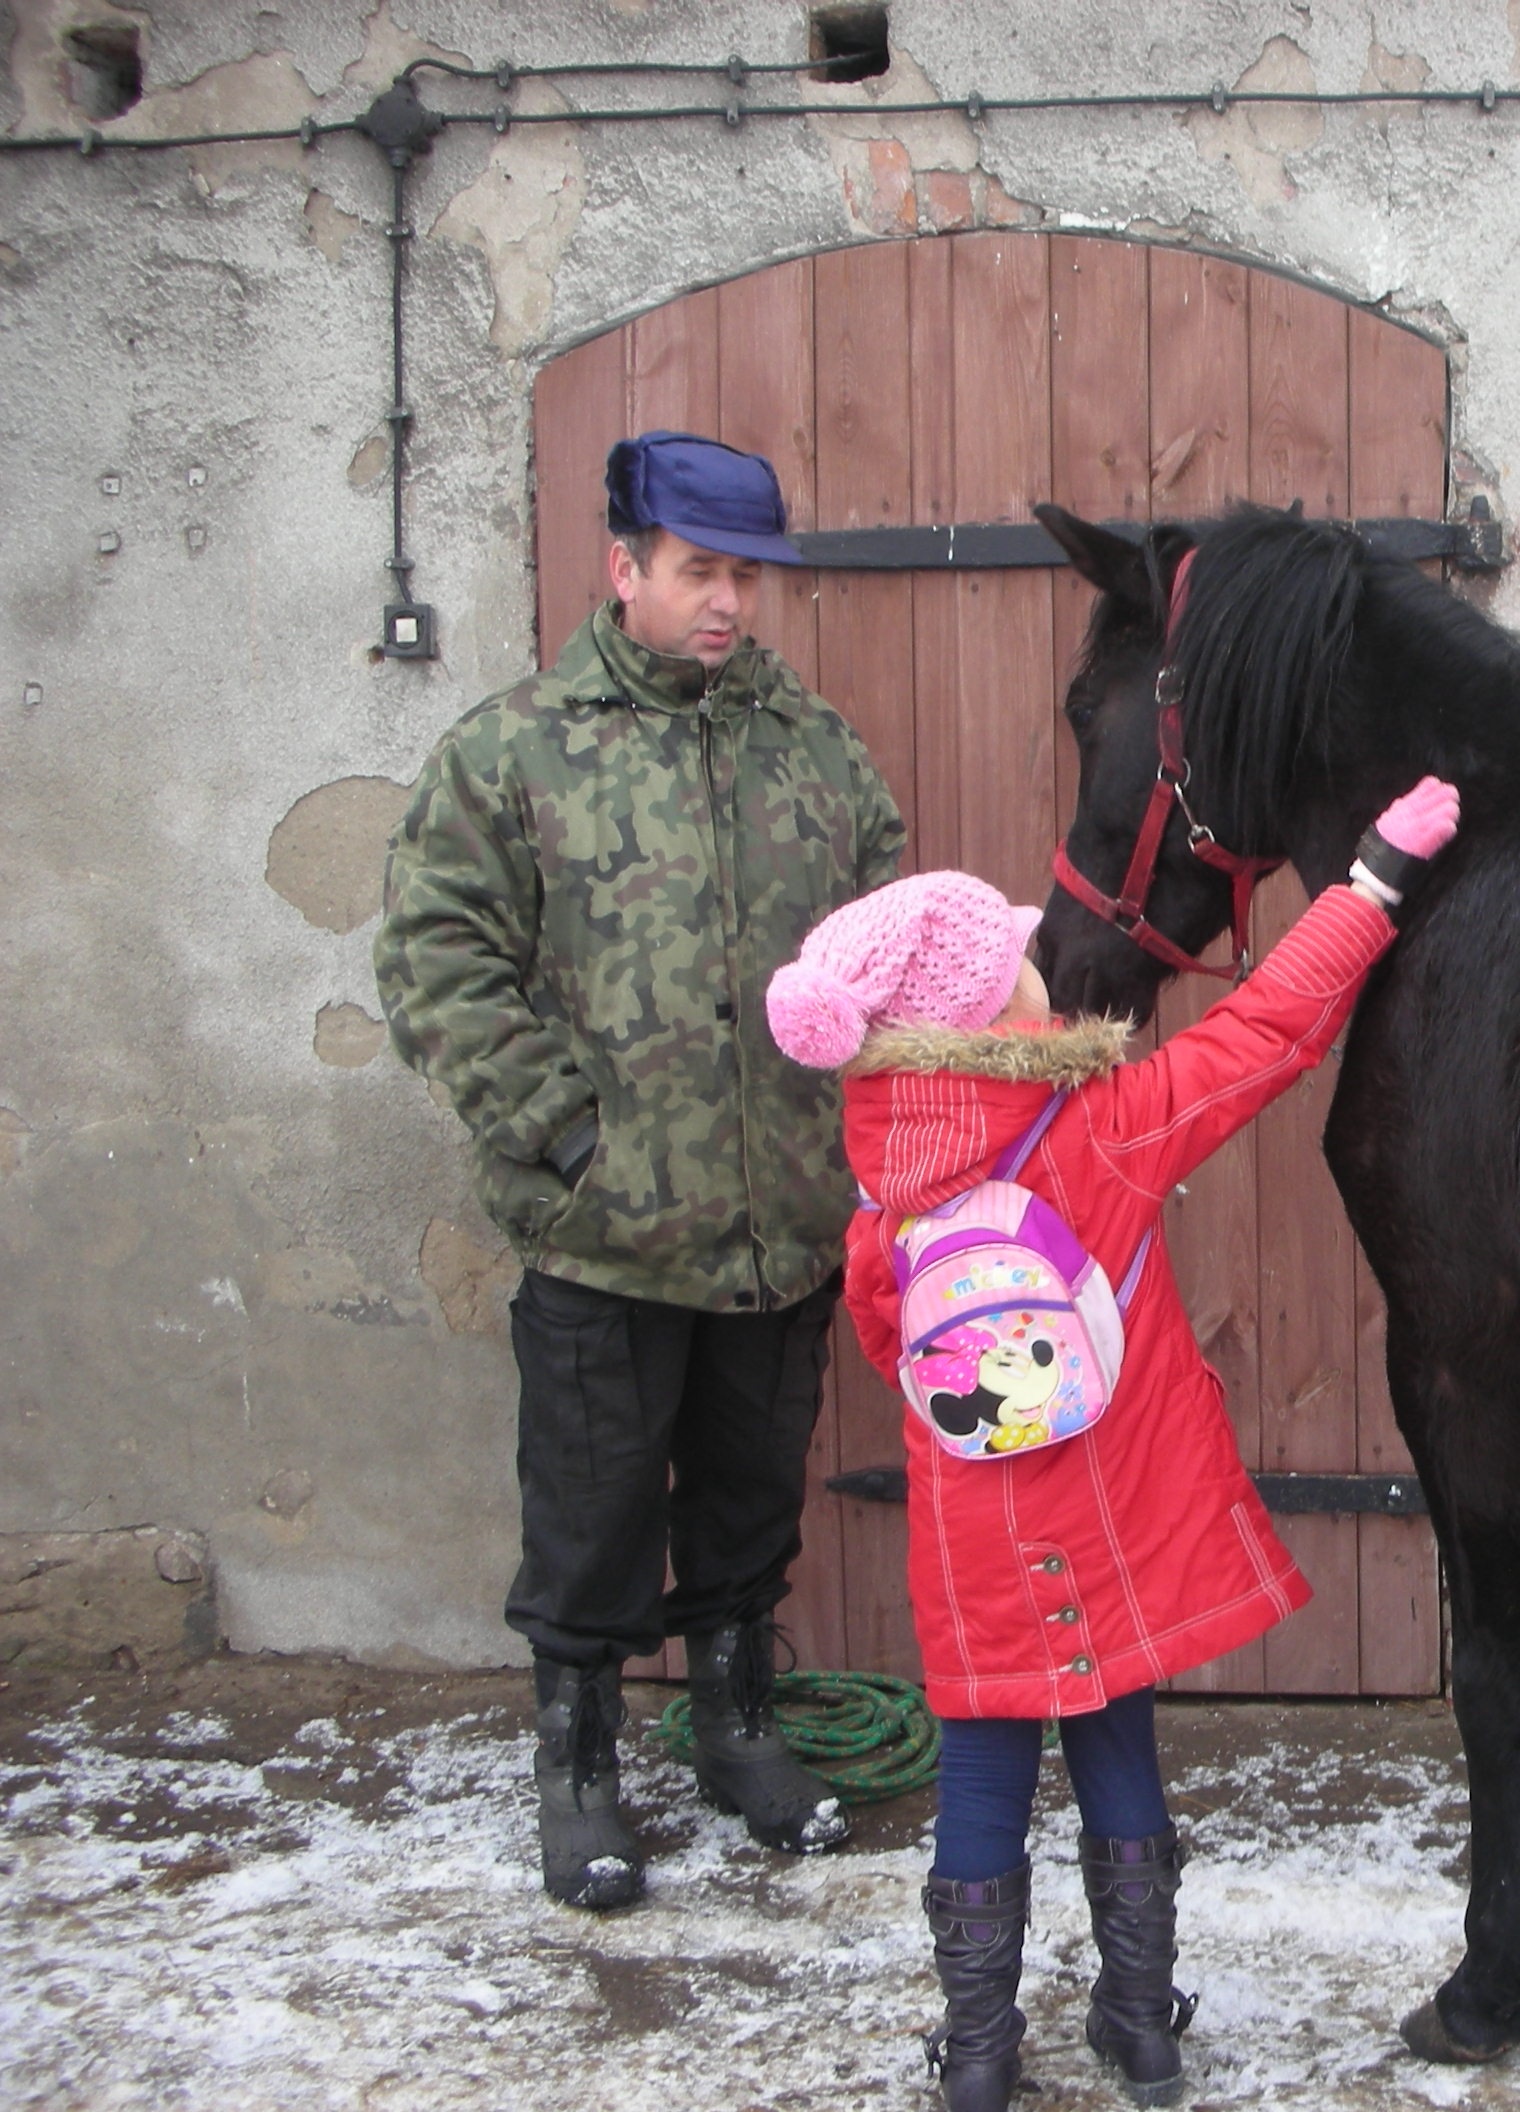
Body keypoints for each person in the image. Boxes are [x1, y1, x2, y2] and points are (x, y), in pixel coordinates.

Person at [763, 779, 1460, 2112]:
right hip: (1112, 1510)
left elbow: (887, 1336)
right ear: (994, 1015)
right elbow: (1270, 1026)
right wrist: (1373, 879)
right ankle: (1141, 2026)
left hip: (973, 1540)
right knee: (1118, 1753)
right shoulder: (1105, 1128)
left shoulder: (883, 1186)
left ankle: (978, 2053)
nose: (1042, 966)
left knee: (981, 1778)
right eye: (1020, 964)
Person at [375, 431, 906, 1910]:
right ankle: (581, 1770)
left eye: (748, 576)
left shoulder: (814, 750)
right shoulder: (515, 750)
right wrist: (564, 1135)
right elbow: (434, 955)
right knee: (592, 1520)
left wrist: (860, 1135)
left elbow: (885, 938)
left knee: (748, 1506)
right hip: (605, 1234)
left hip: (779, 1226)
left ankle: (737, 1730)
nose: (729, 602)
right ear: (625, 569)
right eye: (699, 572)